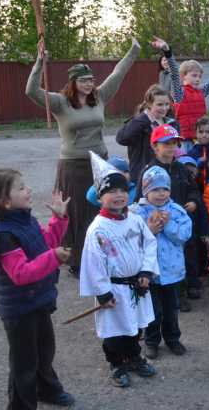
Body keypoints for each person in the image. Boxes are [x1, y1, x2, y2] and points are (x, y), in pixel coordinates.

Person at [25, 37, 140, 275]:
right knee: (76, 212)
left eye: (91, 80)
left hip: (99, 163)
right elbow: (31, 91)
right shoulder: (60, 103)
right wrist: (39, 62)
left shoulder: (99, 97)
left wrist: (134, 50)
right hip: (74, 165)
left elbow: (118, 73)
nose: (89, 84)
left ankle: (102, 254)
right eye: (83, 80)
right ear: (73, 82)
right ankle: (76, 258)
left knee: (99, 209)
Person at [0, 169, 74, 409]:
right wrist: (54, 257)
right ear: (5, 202)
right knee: (24, 363)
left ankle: (47, 390)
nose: (28, 190)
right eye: (21, 188)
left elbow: (45, 244)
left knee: (44, 351)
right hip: (20, 311)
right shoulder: (3, 235)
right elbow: (20, 274)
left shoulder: (24, 219)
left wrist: (59, 219)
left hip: (37, 300)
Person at [80, 153, 160, 388]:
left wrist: (145, 272)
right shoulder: (97, 229)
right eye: (111, 191)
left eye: (122, 190)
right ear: (99, 197)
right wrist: (103, 292)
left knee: (134, 325)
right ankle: (116, 364)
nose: (118, 195)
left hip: (136, 285)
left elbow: (149, 244)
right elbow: (93, 263)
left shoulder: (135, 220)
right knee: (114, 330)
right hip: (114, 289)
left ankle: (134, 357)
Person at [132, 166, 192, 360]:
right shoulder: (137, 213)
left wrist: (168, 225)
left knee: (171, 309)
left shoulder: (176, 211)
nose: (161, 193)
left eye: (165, 189)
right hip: (148, 272)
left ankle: (173, 339)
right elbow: (131, 240)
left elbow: (184, 235)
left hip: (171, 271)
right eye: (155, 189)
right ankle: (151, 342)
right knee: (153, 311)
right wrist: (149, 230)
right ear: (145, 191)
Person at [144, 124, 206, 301]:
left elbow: (194, 190)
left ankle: (192, 284)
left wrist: (193, 201)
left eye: (174, 143)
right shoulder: (149, 170)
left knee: (189, 252)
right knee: (166, 256)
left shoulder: (181, 168)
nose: (171, 147)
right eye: (166, 143)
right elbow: (142, 197)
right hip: (161, 223)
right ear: (155, 146)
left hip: (181, 221)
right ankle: (176, 294)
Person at [151, 36, 209, 146]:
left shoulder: (201, 91)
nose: (198, 79)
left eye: (199, 76)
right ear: (183, 76)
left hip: (202, 139)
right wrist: (167, 51)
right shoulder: (179, 93)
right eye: (194, 75)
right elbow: (174, 73)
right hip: (185, 141)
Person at [116, 85, 180, 185]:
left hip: (167, 174)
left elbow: (177, 147)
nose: (164, 108)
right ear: (149, 104)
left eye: (167, 104)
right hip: (144, 176)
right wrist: (144, 117)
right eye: (159, 104)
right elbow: (121, 138)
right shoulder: (139, 122)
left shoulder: (171, 123)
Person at [187, 115, 209, 188]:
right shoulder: (191, 153)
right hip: (197, 190)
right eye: (201, 132)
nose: (204, 135)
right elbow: (189, 175)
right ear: (196, 133)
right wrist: (196, 166)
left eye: (208, 132)